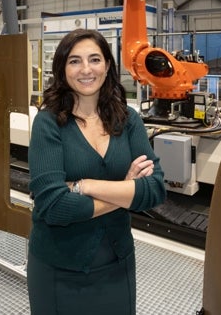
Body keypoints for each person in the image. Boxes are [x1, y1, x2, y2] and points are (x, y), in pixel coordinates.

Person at [27, 28, 167, 314]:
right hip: (59, 269)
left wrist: (84, 185)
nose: (86, 69)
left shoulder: (128, 121)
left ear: (107, 66)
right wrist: (126, 189)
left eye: (94, 59)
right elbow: (53, 207)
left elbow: (155, 189)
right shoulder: (48, 123)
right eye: (75, 61)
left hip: (117, 264)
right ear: (62, 69)